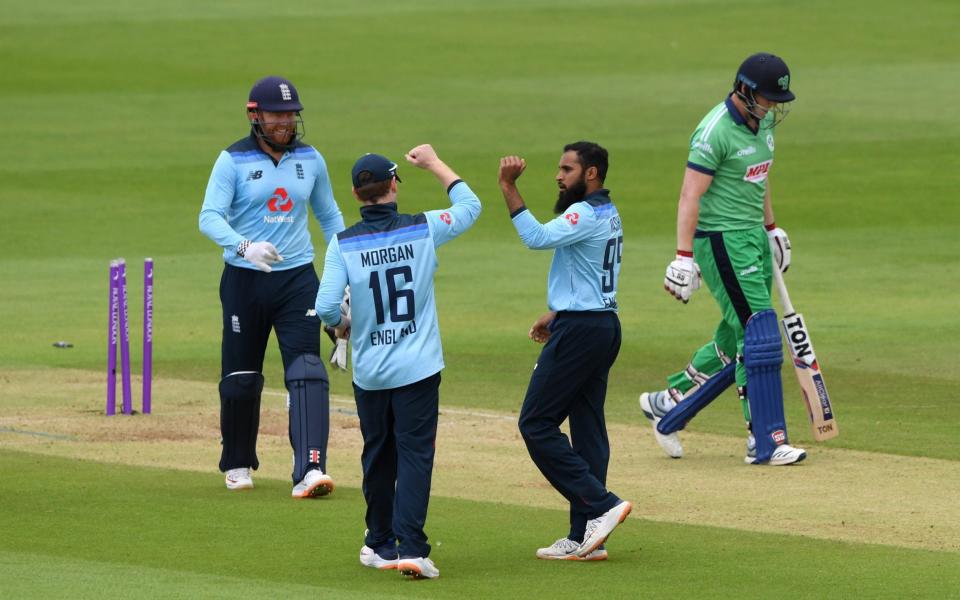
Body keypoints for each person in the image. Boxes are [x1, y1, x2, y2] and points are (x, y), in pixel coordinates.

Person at [315, 145, 481, 580]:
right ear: (393, 185)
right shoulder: (423, 228)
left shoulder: (342, 242)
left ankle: (379, 542)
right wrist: (432, 163)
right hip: (418, 367)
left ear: (355, 194)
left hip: (371, 371)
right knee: (414, 456)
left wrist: (342, 325)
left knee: (378, 454)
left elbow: (326, 305)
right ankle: (412, 548)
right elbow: (470, 205)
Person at [638, 52, 807, 466]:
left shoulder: (762, 121)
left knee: (736, 334)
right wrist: (682, 256)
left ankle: (670, 401)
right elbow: (689, 195)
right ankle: (764, 438)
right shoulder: (714, 132)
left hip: (750, 237)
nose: (773, 107)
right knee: (759, 333)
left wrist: (771, 228)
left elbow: (760, 177)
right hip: (720, 242)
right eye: (767, 98)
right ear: (745, 89)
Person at [198, 75, 345, 496]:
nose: (285, 122)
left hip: (298, 279)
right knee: (242, 377)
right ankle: (239, 462)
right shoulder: (232, 160)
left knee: (308, 370)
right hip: (245, 281)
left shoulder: (311, 159)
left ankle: (311, 468)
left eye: (290, 115)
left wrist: (348, 272)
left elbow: (330, 217)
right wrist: (245, 247)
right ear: (254, 115)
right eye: (277, 115)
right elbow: (209, 217)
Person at [498, 142, 632, 562]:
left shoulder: (583, 213)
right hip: (601, 324)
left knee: (536, 423)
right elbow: (588, 274)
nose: (558, 175)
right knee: (588, 427)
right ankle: (585, 536)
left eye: (566, 169)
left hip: (582, 331)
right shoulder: (609, 212)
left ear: (591, 174)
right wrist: (557, 312)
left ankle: (602, 504)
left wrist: (508, 186)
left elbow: (536, 238)